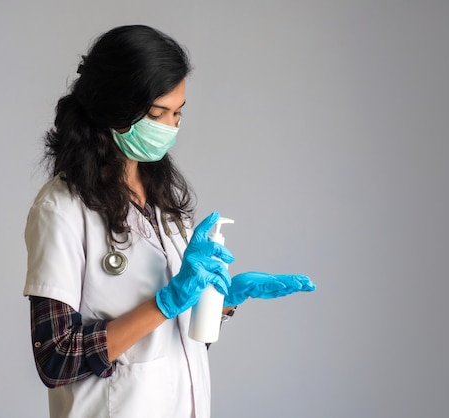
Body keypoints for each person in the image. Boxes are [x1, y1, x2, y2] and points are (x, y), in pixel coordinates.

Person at [23, 24, 315, 418]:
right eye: (158, 114)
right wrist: (166, 302)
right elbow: (56, 357)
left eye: (177, 113)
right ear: (115, 108)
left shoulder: (161, 197)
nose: (169, 127)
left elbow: (167, 347)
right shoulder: (61, 208)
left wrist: (218, 304)